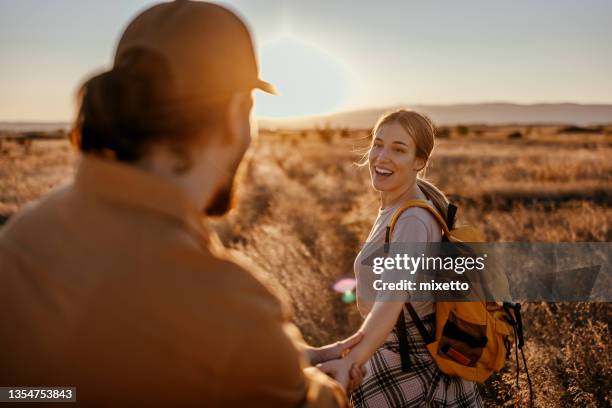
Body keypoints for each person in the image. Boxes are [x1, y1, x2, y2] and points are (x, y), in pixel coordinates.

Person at [0, 1, 363, 406]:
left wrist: (286, 357)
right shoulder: (230, 309)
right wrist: (330, 382)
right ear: (236, 113)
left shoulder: (21, 237)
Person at [317, 110, 484, 407]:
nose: (382, 156)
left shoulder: (413, 220)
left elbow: (391, 300)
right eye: (378, 144)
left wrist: (353, 359)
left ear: (420, 162)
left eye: (398, 149)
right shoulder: (399, 207)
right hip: (395, 351)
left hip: (411, 367)